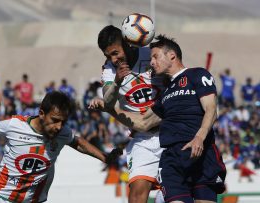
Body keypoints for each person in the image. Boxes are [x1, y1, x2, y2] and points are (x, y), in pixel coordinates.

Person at [91, 35, 226, 203]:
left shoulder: (197, 74)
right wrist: (109, 109)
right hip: (168, 155)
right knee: (140, 193)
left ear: (171, 55)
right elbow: (143, 123)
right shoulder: (164, 95)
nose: (152, 62)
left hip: (199, 151)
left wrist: (199, 136)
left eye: (155, 57)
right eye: (151, 58)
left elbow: (212, 109)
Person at [0, 91, 119, 203]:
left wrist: (104, 157)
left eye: (63, 121)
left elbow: (78, 142)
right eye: (55, 120)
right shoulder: (14, 125)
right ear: (41, 113)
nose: (58, 127)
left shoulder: (63, 132)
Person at [97, 25, 165, 203]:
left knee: (172, 192)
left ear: (126, 43)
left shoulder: (150, 53)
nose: (113, 59)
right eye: (107, 56)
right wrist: (117, 82)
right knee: (136, 195)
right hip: (141, 138)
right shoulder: (109, 70)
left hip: (169, 132)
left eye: (115, 52)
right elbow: (108, 102)